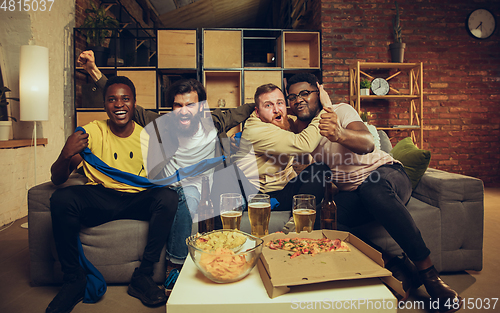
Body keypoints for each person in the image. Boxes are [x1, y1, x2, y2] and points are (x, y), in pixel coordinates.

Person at [286, 72, 461, 312]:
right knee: (322, 223)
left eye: (305, 93)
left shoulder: (341, 111)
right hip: (354, 192)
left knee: (372, 189)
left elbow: (368, 142)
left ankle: (429, 273)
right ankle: (396, 265)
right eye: (293, 96)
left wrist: (339, 133)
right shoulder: (303, 134)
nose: (298, 100)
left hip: (385, 175)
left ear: (320, 92)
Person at [77, 50, 255, 271]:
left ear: (201, 107)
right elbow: (123, 102)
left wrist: (268, 105)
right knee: (187, 196)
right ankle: (174, 268)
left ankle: (227, 258)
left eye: (190, 105)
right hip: (178, 192)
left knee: (230, 193)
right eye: (177, 106)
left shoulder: (216, 121)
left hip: (212, 188)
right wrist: (93, 71)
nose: (183, 112)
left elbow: (245, 110)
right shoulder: (163, 125)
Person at [47, 76, 178, 313]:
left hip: (136, 199)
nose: (119, 104)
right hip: (101, 197)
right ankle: (74, 279)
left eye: (125, 99)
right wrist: (66, 153)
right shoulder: (91, 133)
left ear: (134, 103)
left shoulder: (147, 137)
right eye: (112, 99)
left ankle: (143, 276)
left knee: (169, 197)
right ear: (105, 105)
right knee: (61, 198)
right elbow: (58, 179)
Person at [232, 83, 331, 225]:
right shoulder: (256, 129)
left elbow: (304, 156)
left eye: (280, 103)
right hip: (255, 194)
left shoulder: (286, 122)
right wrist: (326, 107)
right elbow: (304, 144)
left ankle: (296, 222)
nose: (276, 110)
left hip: (281, 194)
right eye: (268, 105)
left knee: (321, 170)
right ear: (257, 112)